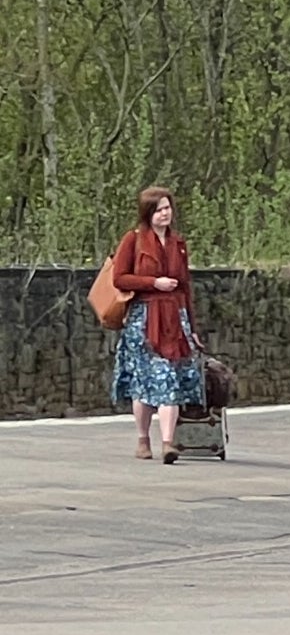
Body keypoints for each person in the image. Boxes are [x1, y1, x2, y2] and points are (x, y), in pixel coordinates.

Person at [111, 187, 204, 466]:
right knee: (144, 382)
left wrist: (193, 327)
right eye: (160, 209)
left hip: (175, 318)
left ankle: (168, 442)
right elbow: (120, 278)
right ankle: (143, 438)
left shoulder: (178, 243)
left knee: (170, 379)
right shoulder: (133, 240)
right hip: (145, 319)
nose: (166, 213)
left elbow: (186, 287)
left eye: (168, 208)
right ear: (148, 213)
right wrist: (153, 283)